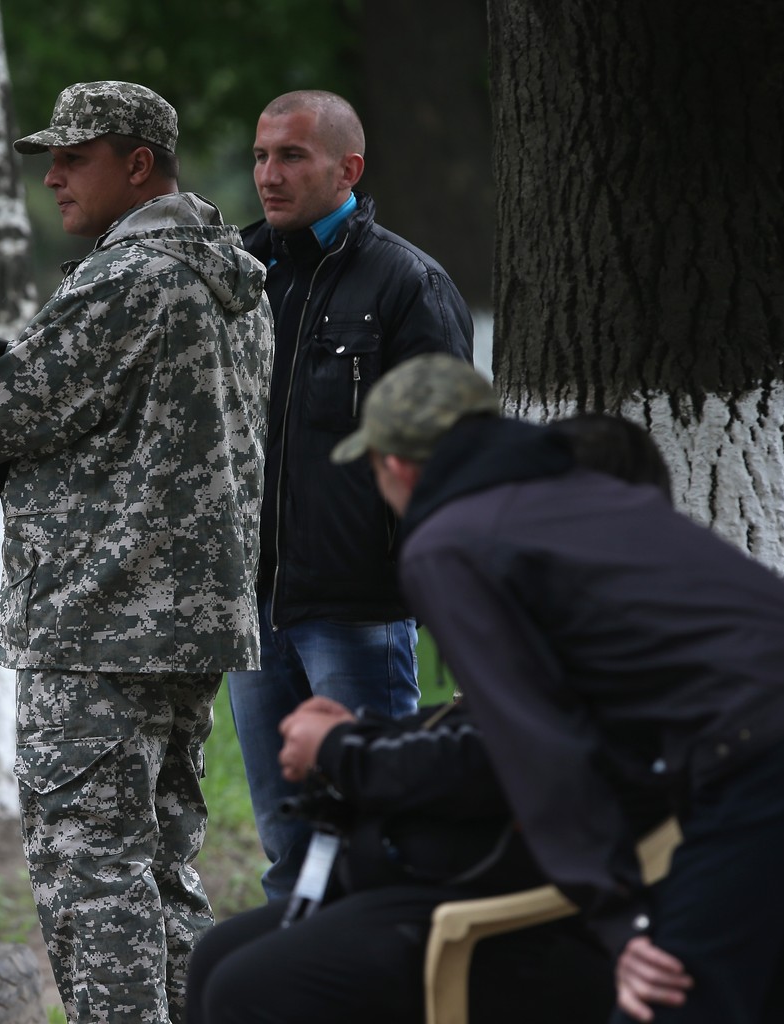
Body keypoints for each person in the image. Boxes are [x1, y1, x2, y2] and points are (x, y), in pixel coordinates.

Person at [0, 81, 273, 1024]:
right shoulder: (231, 273)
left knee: (93, 875)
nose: (53, 176)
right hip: (187, 622)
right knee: (161, 865)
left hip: (97, 624)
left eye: (74, 158)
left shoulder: (127, 278)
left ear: (139, 165)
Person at [332, 353, 784, 1023]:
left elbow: (537, 746)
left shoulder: (447, 541)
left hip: (764, 749)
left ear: (397, 465)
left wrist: (623, 921)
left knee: (666, 999)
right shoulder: (583, 493)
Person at [186, 413, 672, 1024]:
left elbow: (497, 760)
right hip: (474, 864)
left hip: (522, 901)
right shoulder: (578, 606)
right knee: (218, 956)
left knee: (245, 986)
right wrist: (360, 738)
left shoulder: (613, 626)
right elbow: (487, 733)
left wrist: (342, 748)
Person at [229, 89, 475, 902]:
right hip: (251, 608)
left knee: (380, 836)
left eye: (292, 155)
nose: (269, 174)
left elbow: (442, 457)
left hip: (358, 611)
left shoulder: (406, 282)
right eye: (261, 155)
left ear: (348, 168)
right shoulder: (237, 274)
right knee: (287, 845)